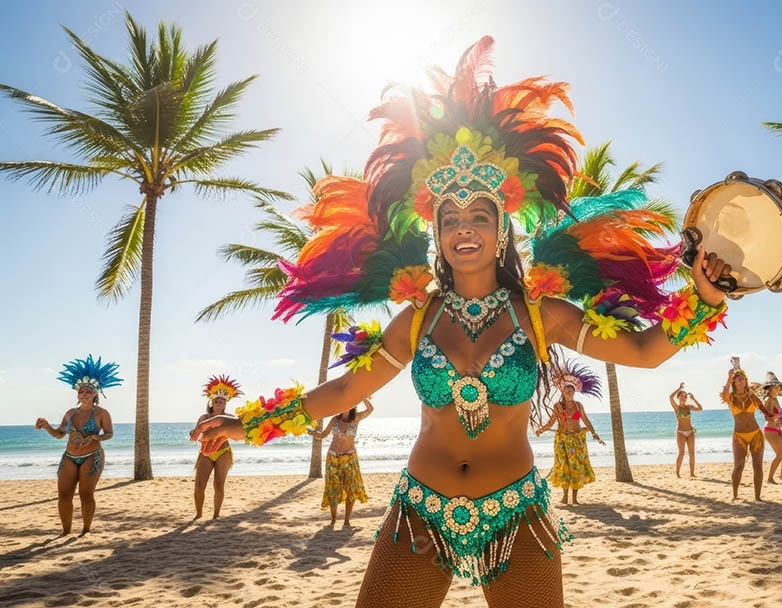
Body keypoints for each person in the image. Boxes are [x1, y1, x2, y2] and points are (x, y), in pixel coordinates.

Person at [192, 36, 730, 608]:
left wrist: (703, 299)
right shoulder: (416, 319)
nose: (464, 228)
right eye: (451, 219)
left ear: (501, 230)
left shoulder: (542, 313)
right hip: (420, 511)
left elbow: (645, 351)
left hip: (517, 512)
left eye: (479, 216)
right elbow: (346, 389)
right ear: (438, 234)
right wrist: (246, 427)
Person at [34, 355, 120, 535]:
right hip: (70, 457)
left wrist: (96, 438)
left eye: (88, 391)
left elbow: (109, 434)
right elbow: (59, 435)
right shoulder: (71, 413)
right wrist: (47, 426)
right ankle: (66, 531)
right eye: (82, 391)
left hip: (92, 456)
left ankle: (86, 530)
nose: (85, 394)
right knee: (64, 496)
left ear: (95, 393)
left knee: (86, 495)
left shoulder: (102, 413)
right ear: (77, 394)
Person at [536, 360, 606, 504]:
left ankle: (574, 498)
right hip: (561, 440)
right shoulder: (558, 407)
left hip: (577, 440)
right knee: (563, 467)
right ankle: (565, 496)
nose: (569, 392)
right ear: (562, 391)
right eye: (566, 390)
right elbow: (551, 423)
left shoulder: (579, 406)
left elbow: (586, 421)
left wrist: (595, 434)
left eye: (571, 390)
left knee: (576, 467)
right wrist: (541, 429)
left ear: (574, 391)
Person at [310, 399, 375, 525]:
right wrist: (310, 432)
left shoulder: (356, 418)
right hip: (333, 458)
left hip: (350, 458)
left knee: (351, 488)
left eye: (345, 404)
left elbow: (370, 410)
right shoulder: (335, 419)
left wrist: (362, 397)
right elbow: (323, 434)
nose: (342, 407)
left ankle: (346, 521)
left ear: (352, 406)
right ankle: (333, 520)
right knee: (333, 488)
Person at [194, 375, 242, 519]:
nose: (219, 403)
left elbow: (237, 436)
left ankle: (216, 514)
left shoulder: (230, 418)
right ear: (212, 403)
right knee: (199, 485)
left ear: (225, 404)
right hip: (206, 453)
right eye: (216, 401)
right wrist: (194, 432)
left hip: (223, 452)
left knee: (219, 484)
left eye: (221, 401)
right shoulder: (204, 418)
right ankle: (199, 514)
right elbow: (196, 431)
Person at [722, 367, 764, 500]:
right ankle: (735, 496)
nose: (740, 382)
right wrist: (729, 378)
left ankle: (757, 497)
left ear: (746, 380)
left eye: (742, 379)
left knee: (757, 466)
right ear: (734, 382)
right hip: (739, 435)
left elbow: (762, 405)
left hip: (756, 434)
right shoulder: (731, 398)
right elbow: (723, 395)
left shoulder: (752, 396)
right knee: (738, 466)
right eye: (737, 380)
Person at [754, 372, 782, 484]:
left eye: (778, 387)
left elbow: (780, 420)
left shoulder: (776, 400)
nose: (778, 389)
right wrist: (773, 417)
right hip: (770, 430)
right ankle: (770, 478)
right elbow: (766, 417)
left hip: (778, 429)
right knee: (780, 454)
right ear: (770, 388)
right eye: (775, 387)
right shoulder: (768, 400)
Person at [669, 382, 703, 478]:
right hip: (680, 432)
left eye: (685, 396)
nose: (683, 398)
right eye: (681, 396)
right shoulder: (677, 408)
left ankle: (692, 473)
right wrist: (679, 388)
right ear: (678, 397)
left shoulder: (689, 407)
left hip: (690, 432)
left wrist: (694, 399)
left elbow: (700, 408)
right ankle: (678, 473)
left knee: (692, 453)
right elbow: (670, 397)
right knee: (681, 453)